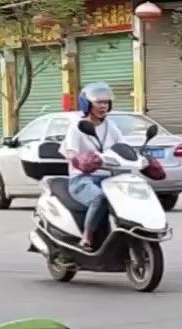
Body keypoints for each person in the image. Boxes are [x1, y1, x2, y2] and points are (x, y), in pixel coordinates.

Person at [60, 82, 125, 250]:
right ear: (87, 104)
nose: (103, 106)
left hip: (108, 178)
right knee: (99, 198)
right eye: (99, 102)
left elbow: (124, 147)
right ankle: (87, 237)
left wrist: (143, 160)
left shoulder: (111, 126)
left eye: (106, 102)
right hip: (82, 180)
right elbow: (71, 153)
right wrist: (80, 161)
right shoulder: (77, 128)